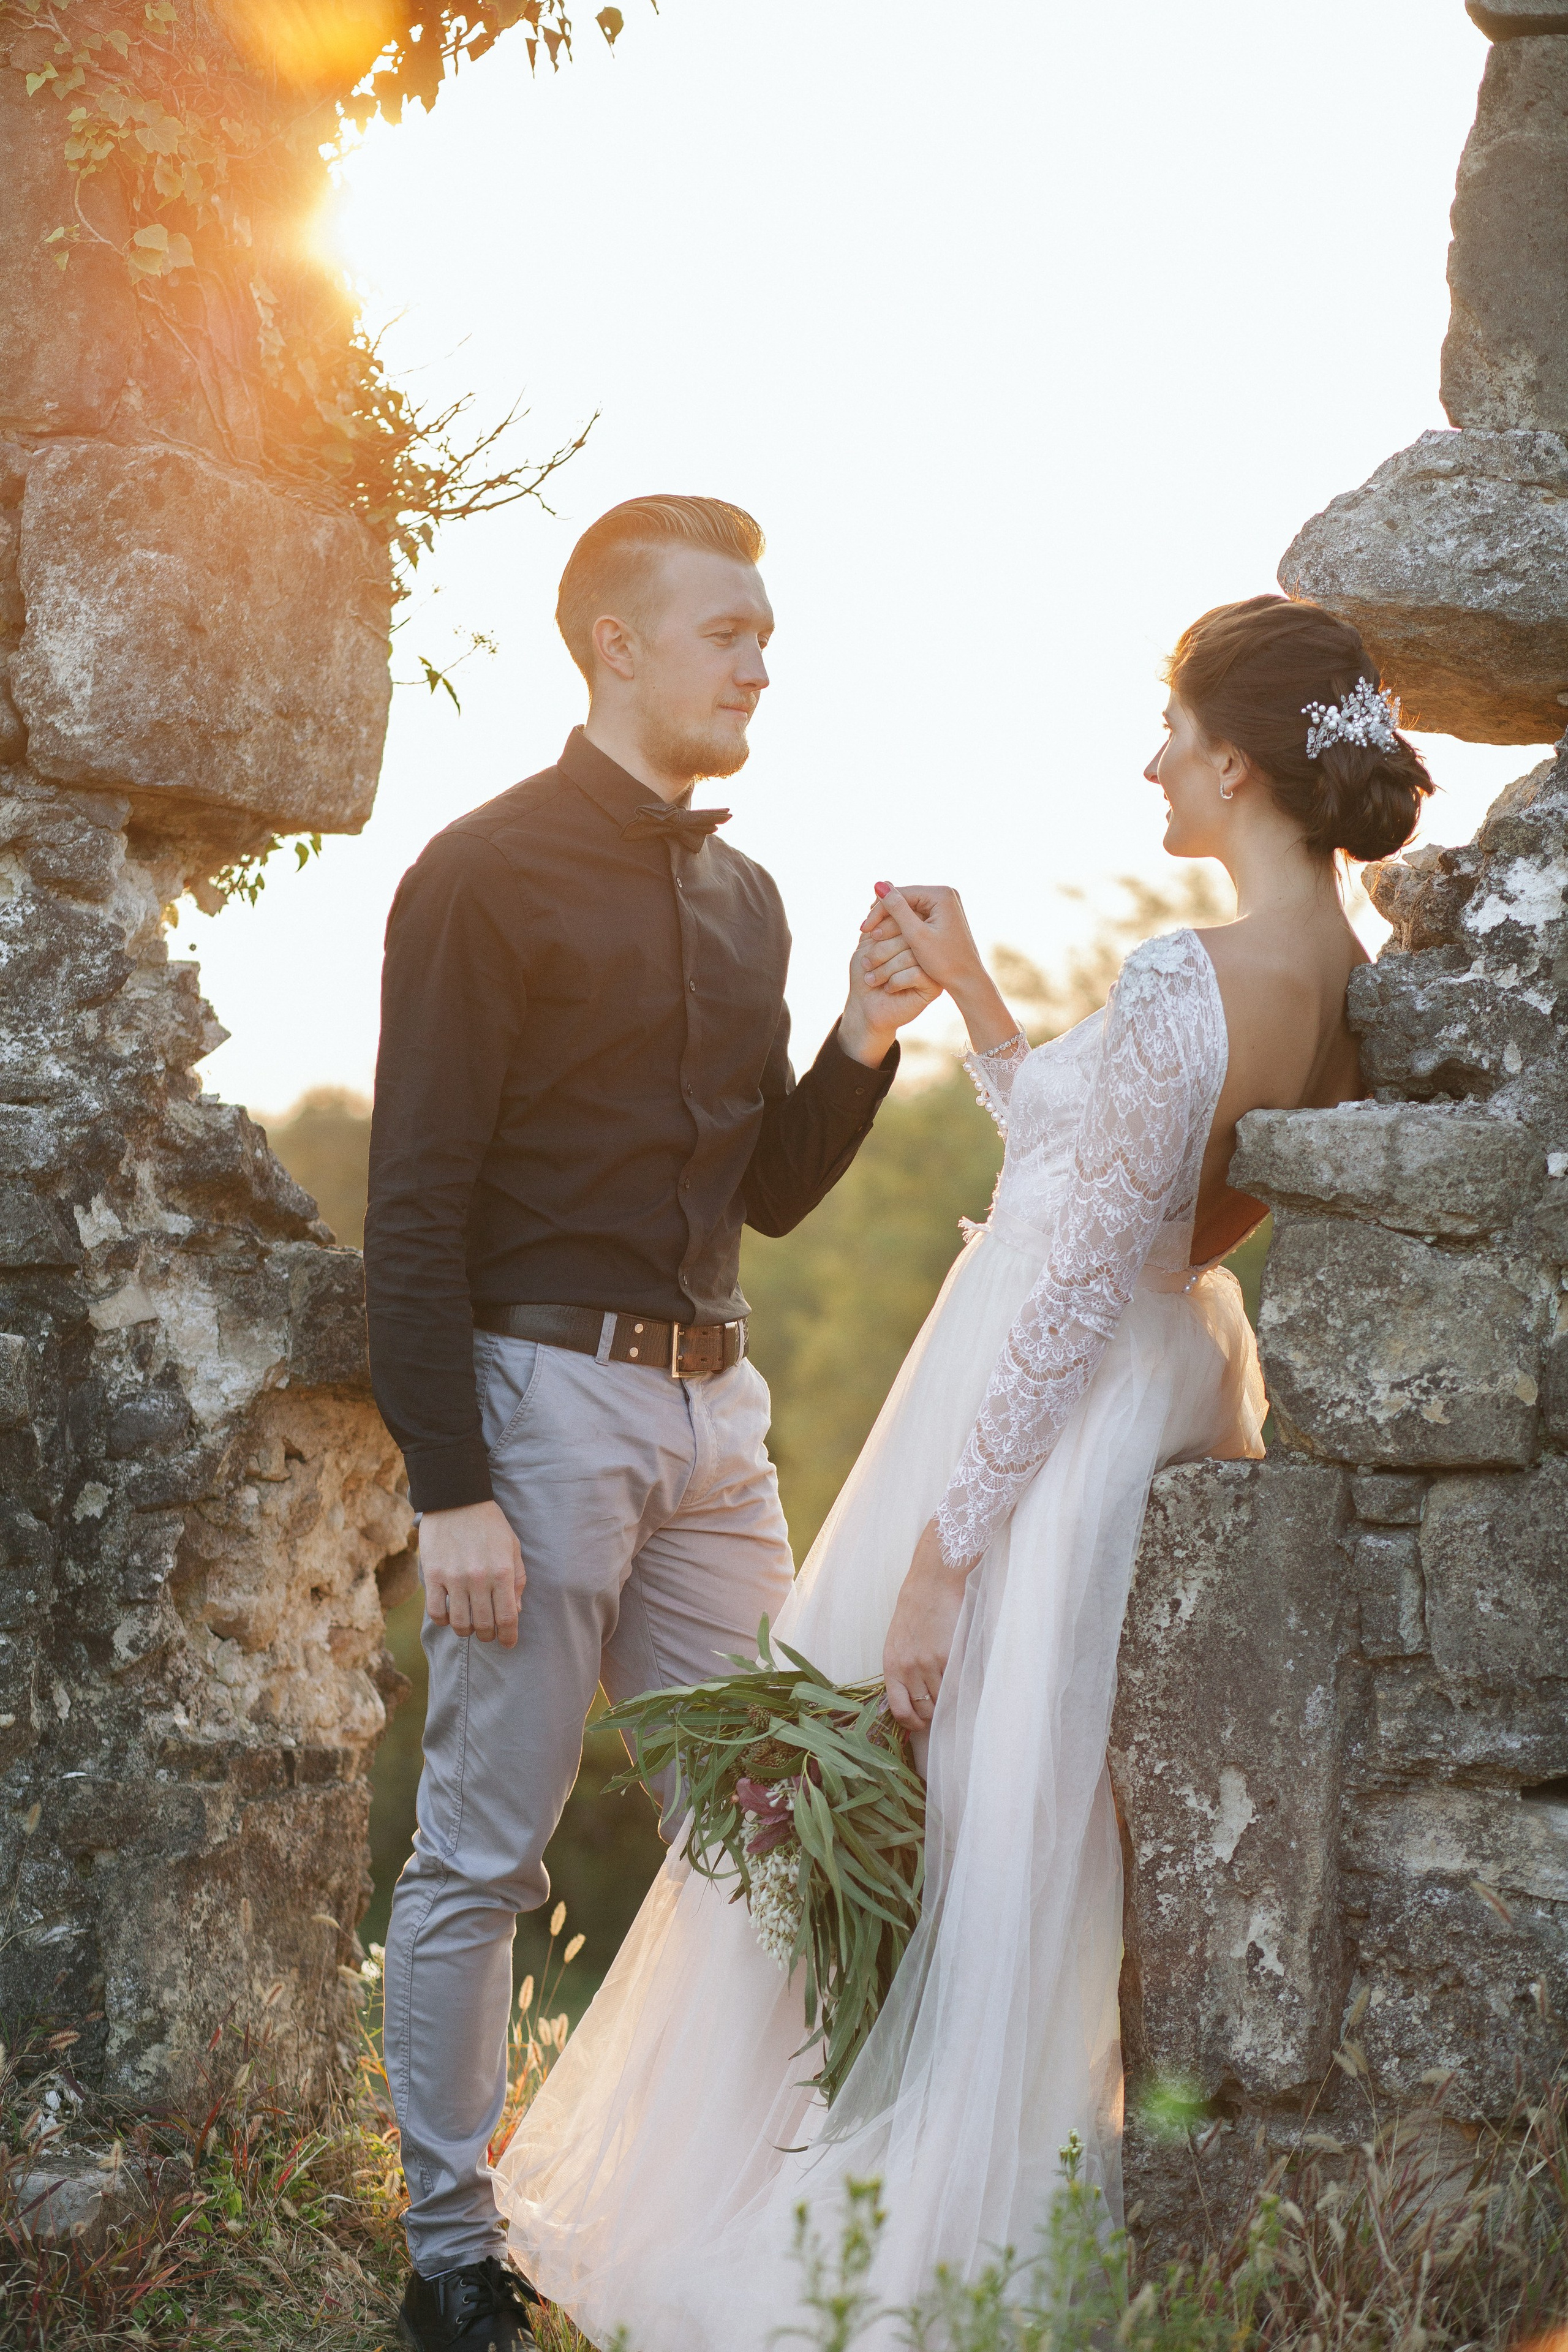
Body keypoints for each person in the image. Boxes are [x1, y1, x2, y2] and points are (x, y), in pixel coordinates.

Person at [492, 595, 1436, 2350]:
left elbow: (1070, 1273)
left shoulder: (1189, 973)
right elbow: (1133, 1192)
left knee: (916, 1800)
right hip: (1163, 1377)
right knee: (1021, 1823)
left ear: (1234, 766)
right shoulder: (1345, 985)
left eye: (1170, 735)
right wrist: (984, 995)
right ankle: (961, 2207)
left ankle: (857, 2231)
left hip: (1042, 1418)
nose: (1152, 761)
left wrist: (944, 1550)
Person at [363, 495, 943, 2352]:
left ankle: (751, 2220)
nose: (761, 660)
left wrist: (863, 1036)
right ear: (616, 643)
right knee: (484, 1851)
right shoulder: (479, 874)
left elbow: (767, 1190)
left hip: (719, 1418)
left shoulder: (744, 891)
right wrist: (449, 1489)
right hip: (539, 1419)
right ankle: (450, 2256)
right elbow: (416, 1204)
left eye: (767, 633)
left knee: (788, 1833)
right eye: (730, 631)